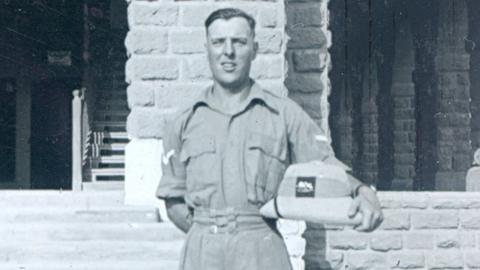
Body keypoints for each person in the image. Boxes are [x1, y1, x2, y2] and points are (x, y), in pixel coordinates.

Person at [156, 8, 383, 270]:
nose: (228, 52)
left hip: (261, 249)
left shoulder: (284, 114)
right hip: (202, 252)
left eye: (239, 42)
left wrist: (363, 191)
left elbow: (324, 164)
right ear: (206, 47)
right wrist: (209, 231)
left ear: (254, 49)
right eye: (218, 42)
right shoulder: (182, 122)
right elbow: (172, 197)